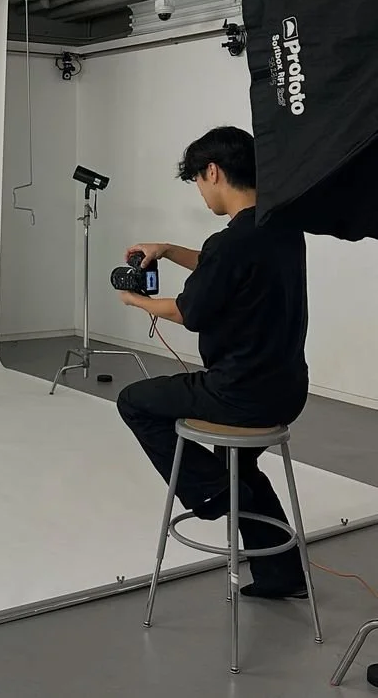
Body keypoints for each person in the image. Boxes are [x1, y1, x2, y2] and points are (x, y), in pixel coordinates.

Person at [117, 126, 309, 599]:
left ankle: (210, 493)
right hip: (286, 390)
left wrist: (136, 301)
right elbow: (221, 266)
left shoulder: (231, 242)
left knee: (133, 400)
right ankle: (281, 576)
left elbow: (188, 311)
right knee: (240, 466)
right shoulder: (281, 225)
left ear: (213, 171)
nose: (202, 194)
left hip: (236, 394)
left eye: (199, 183)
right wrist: (166, 250)